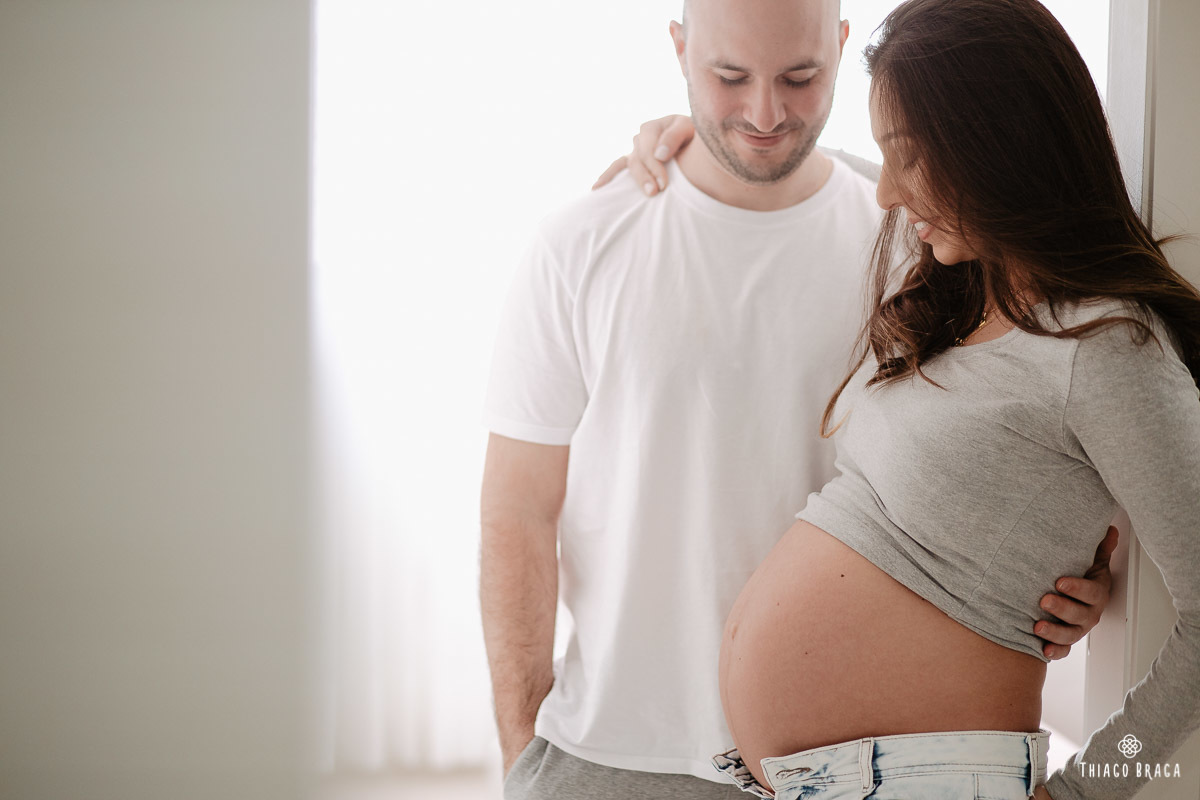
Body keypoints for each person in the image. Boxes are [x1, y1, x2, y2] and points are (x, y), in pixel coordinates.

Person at [479, 0, 1116, 798]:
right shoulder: (579, 244)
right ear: (678, 51)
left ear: (843, 48)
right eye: (729, 76)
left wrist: (1074, 572)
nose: (766, 113)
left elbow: (1016, 440)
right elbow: (516, 509)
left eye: (800, 77)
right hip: (613, 755)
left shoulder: (919, 247)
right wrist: (520, 754)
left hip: (854, 759)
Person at [615, 1, 1200, 798]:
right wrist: (698, 138)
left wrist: (1089, 790)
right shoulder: (967, 298)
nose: (889, 191)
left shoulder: (1107, 349)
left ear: (999, 142)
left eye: (912, 155)